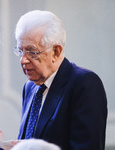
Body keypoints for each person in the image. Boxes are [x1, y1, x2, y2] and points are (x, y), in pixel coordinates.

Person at [14, 10, 107, 150]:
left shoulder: (84, 84)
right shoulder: (29, 88)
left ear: (56, 52)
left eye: (31, 52)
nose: (23, 60)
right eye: (20, 51)